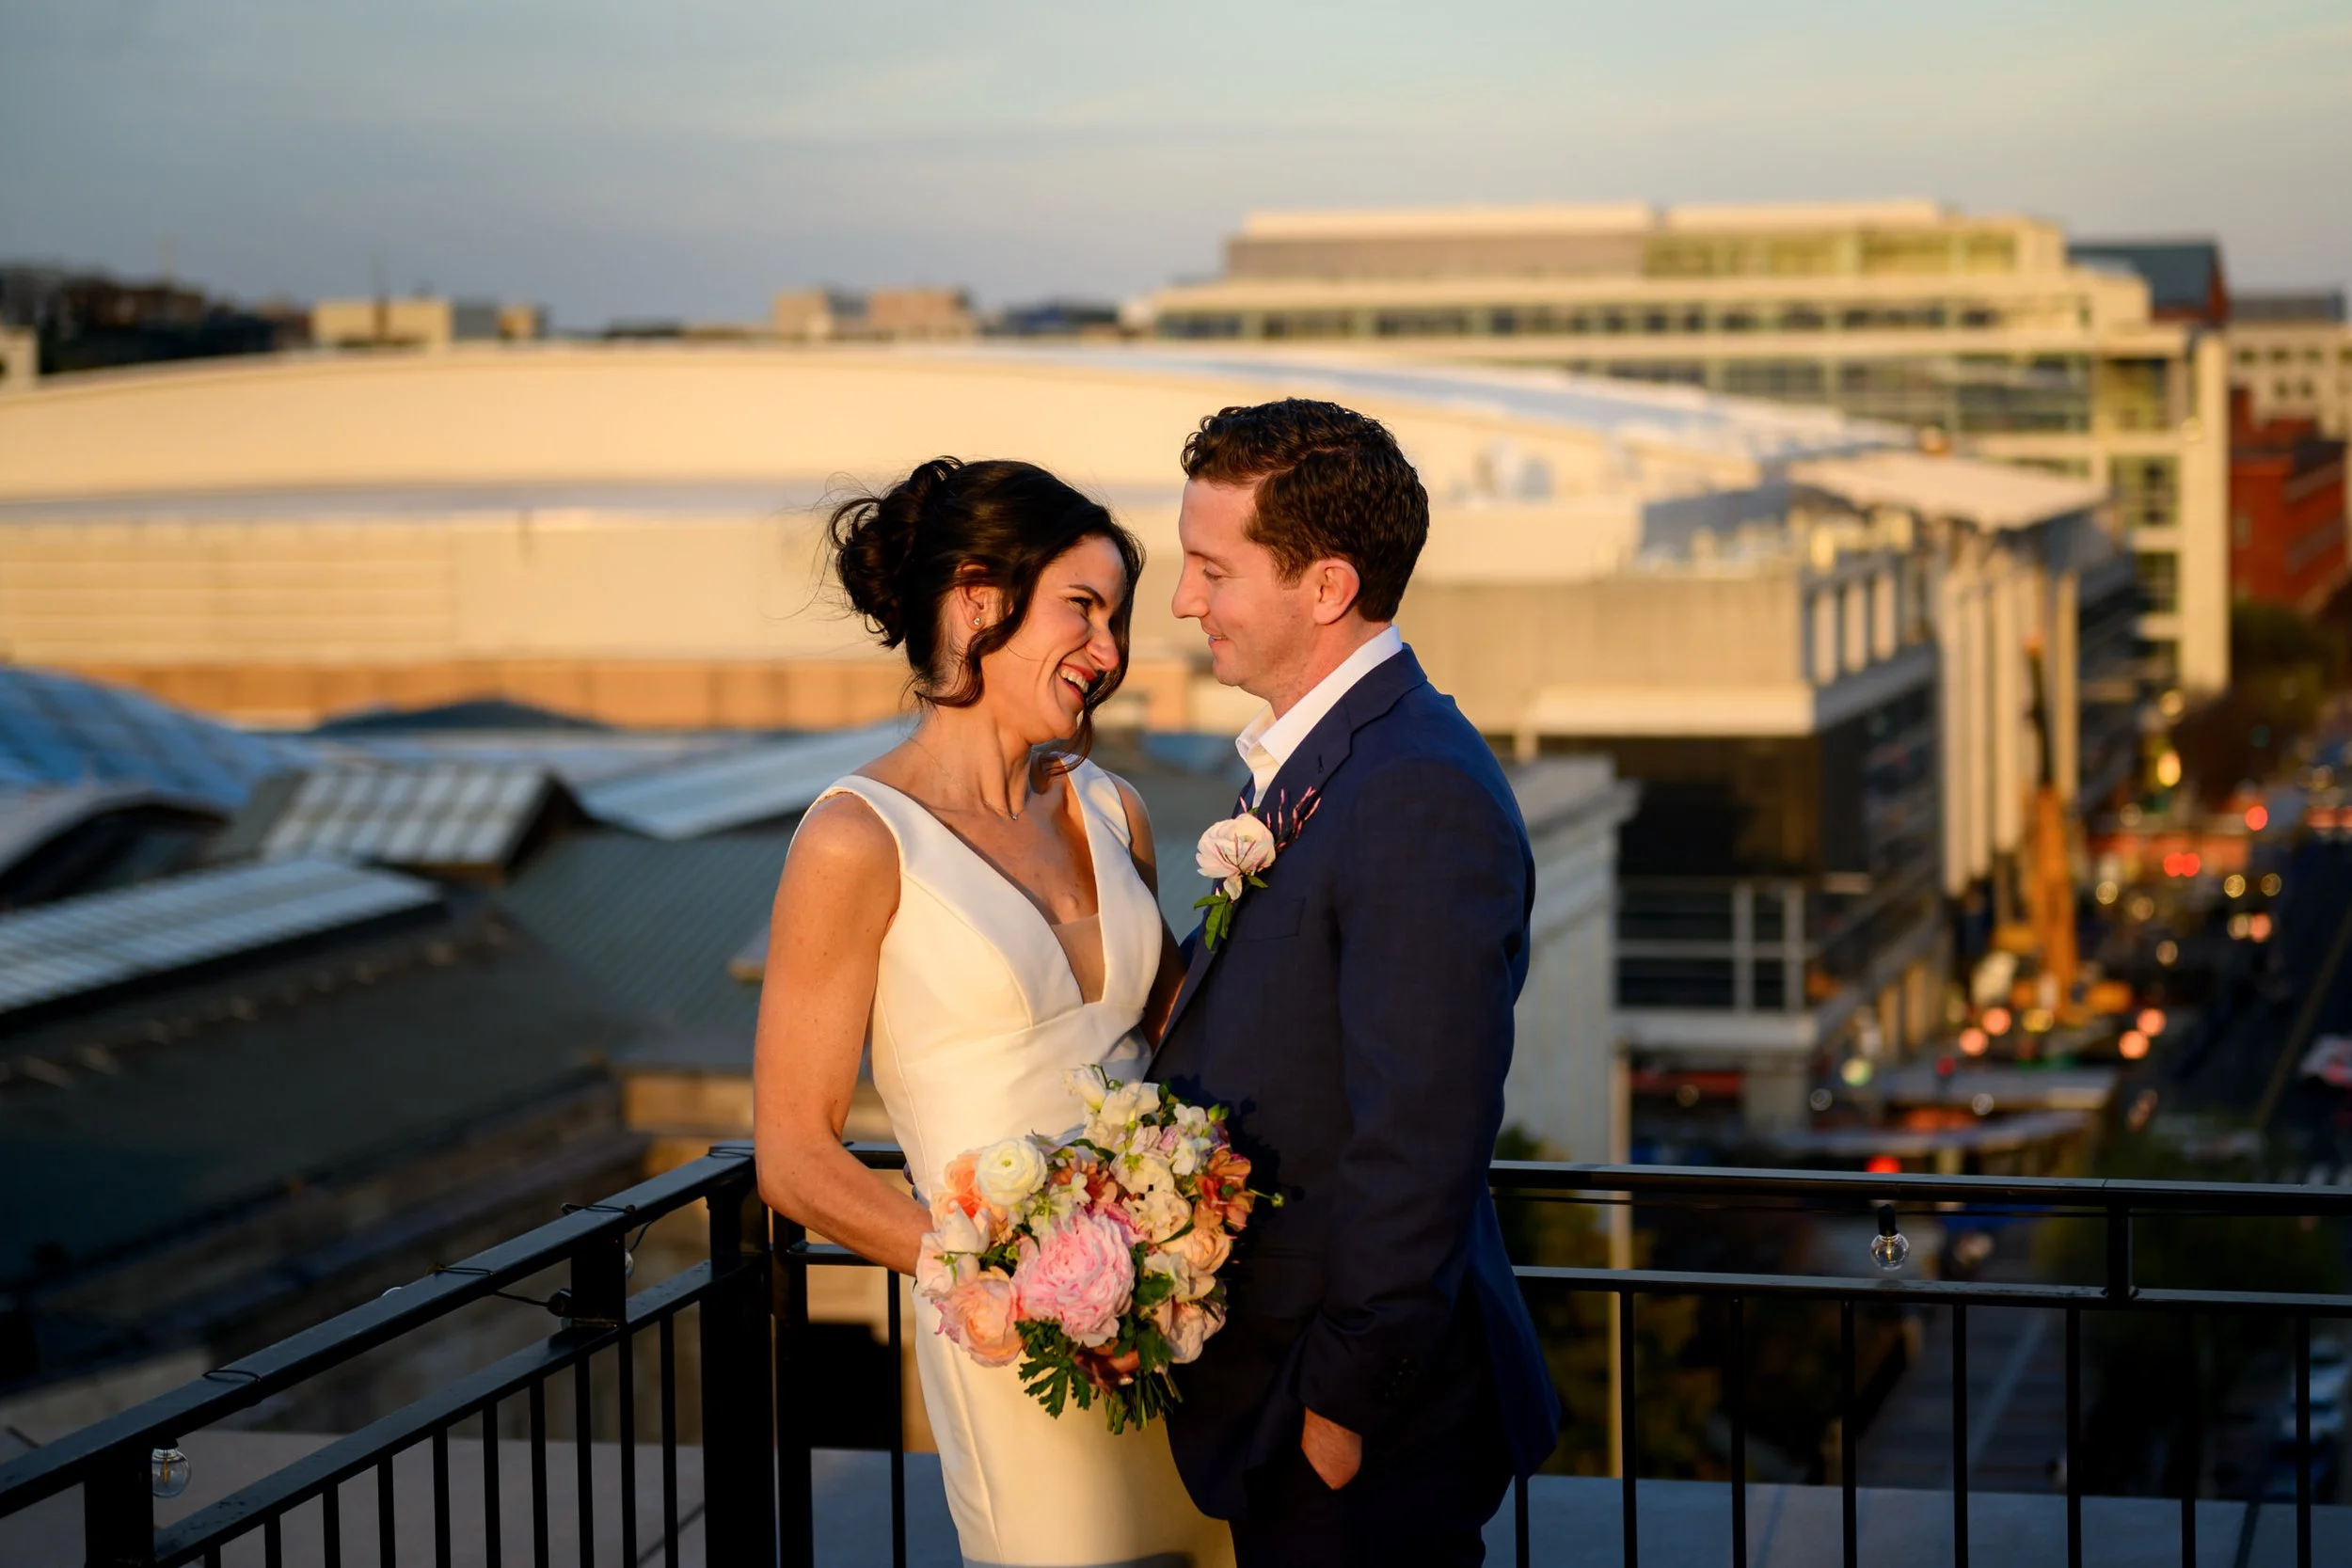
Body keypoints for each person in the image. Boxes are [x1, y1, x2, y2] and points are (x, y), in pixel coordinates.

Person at [752, 457, 1232, 1566]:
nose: (1110, 651)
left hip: (1184, 1330)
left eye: (1113, 617)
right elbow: (793, 1156)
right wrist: (998, 1285)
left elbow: (1176, 1053)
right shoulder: (854, 840)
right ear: (976, 598)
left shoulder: (1113, 807)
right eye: (1084, 607)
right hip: (1020, 1357)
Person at [1148, 400, 1561, 1567]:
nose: (1184, 601)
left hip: (1355, 1427)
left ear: (1323, 587)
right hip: (1280, 1393)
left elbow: (1422, 1131)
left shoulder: (1412, 788)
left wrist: (1340, 1408)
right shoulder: (1329, 763)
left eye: (1209, 568)